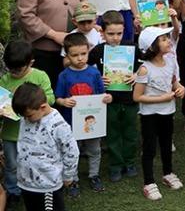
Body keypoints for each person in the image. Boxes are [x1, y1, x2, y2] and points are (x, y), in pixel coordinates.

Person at [54, 33, 112, 196]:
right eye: (75, 55)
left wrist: (108, 98)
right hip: (71, 123)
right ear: (67, 55)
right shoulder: (64, 75)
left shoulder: (94, 73)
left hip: (93, 123)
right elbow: (57, 98)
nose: (80, 58)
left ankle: (94, 175)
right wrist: (63, 102)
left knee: (94, 149)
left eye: (83, 54)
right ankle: (72, 179)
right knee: (73, 151)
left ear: (88, 52)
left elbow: (102, 95)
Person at [132, 26, 185, 200]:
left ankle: (167, 173)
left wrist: (180, 88)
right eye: (163, 39)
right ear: (152, 47)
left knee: (166, 144)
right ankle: (148, 182)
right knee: (149, 148)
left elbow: (173, 81)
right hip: (150, 115)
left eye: (167, 37)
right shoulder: (144, 69)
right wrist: (162, 98)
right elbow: (137, 96)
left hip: (168, 112)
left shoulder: (170, 62)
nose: (168, 41)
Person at [86, 11, 140, 182]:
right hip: (108, 101)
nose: (115, 38)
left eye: (119, 33)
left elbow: (145, 65)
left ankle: (130, 162)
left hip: (130, 99)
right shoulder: (98, 50)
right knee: (113, 133)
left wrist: (136, 75)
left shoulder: (131, 48)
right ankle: (115, 165)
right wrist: (97, 76)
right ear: (102, 32)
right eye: (111, 34)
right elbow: (85, 69)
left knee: (130, 132)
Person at [0, 42, 56, 205]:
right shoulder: (4, 79)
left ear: (30, 62)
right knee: (11, 164)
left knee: (36, 161)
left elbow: (50, 98)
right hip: (12, 133)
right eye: (12, 70)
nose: (15, 73)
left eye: (19, 69)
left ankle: (36, 188)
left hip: (36, 132)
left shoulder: (39, 76)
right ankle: (13, 191)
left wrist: (33, 104)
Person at [11, 83, 78, 211]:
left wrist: (68, 175)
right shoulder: (27, 117)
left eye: (29, 116)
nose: (25, 119)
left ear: (42, 107)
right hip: (26, 183)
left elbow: (71, 151)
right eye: (23, 116)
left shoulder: (58, 125)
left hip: (48, 186)